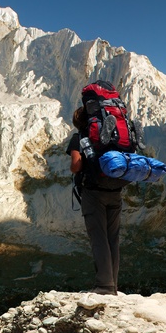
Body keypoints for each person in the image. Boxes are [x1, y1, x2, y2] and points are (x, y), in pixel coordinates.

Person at [67, 106, 122, 295]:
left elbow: (76, 165)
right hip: (115, 189)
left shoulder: (79, 138)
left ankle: (104, 286)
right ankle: (113, 285)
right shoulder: (110, 136)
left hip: (93, 193)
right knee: (112, 238)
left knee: (98, 237)